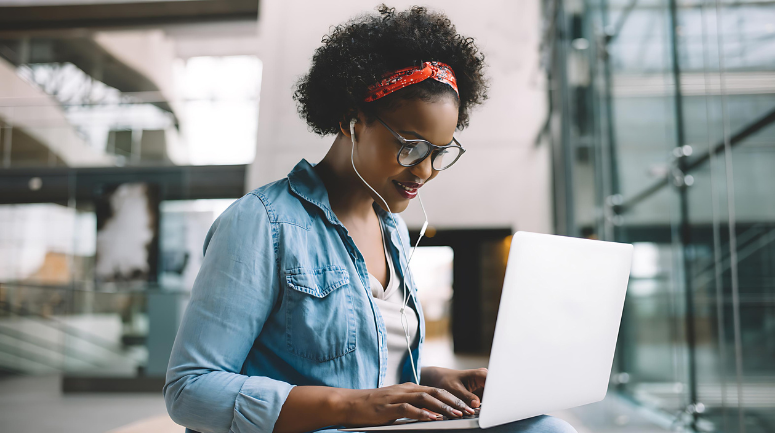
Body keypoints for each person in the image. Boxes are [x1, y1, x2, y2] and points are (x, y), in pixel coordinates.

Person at [163, 5, 577, 433]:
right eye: (411, 147)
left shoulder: (391, 229)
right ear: (352, 122)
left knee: (545, 429)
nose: (425, 171)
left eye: (439, 153)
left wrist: (433, 382)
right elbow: (190, 390)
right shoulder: (261, 224)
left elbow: (366, 364)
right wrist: (350, 407)